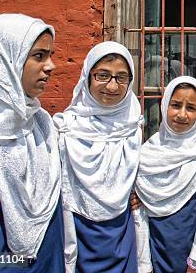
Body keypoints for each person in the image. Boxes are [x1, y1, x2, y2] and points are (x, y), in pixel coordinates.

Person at [0, 14, 64, 272]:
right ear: (5, 60)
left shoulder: (42, 125)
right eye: (39, 56)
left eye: (50, 55)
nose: (50, 66)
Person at [54, 42, 143, 273]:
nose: (112, 86)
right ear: (88, 76)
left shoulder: (132, 127)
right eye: (103, 75)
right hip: (75, 229)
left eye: (121, 78)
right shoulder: (65, 129)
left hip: (121, 233)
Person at [133, 76, 196, 273]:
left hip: (190, 253)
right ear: (164, 105)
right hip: (154, 247)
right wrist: (144, 264)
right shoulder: (146, 155)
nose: (182, 115)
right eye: (176, 105)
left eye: (191, 108)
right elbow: (138, 213)